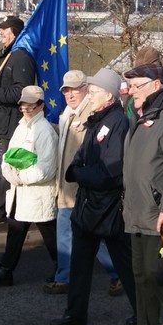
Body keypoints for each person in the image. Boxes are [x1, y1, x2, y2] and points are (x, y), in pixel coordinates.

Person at [50, 68, 137, 325]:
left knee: (124, 263)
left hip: (107, 205)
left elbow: (109, 173)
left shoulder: (117, 122)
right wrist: (79, 171)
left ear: (108, 95)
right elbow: (81, 158)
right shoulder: (98, 119)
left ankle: (143, 312)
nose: (91, 93)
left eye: (95, 90)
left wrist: (79, 173)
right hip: (89, 204)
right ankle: (75, 313)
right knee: (81, 261)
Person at [44, 70, 124, 297]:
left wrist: (79, 176)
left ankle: (68, 277)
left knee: (84, 236)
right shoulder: (67, 114)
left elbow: (94, 155)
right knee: (81, 236)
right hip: (67, 186)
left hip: (81, 188)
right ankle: (69, 276)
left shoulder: (94, 114)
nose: (70, 94)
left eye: (75, 89)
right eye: (66, 90)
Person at [0, 86, 58, 286]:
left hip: (37, 194)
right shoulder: (21, 126)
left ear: (41, 106)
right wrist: (11, 173)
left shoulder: (45, 131)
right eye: (23, 104)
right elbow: (7, 157)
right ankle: (5, 270)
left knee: (50, 235)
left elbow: (46, 169)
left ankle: (63, 269)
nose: (25, 108)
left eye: (30, 105)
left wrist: (18, 176)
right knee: (16, 231)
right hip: (20, 193)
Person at [121, 61, 163, 325]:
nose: (131, 92)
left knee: (158, 274)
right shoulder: (140, 116)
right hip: (137, 210)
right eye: (130, 86)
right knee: (140, 276)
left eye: (137, 86)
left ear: (156, 85)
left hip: (159, 214)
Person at [0, 15, 36, 227]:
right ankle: (12, 207)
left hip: (12, 124)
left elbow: (23, 90)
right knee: (7, 166)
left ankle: (1, 210)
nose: (0, 32)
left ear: (15, 31)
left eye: (4, 28)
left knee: (8, 168)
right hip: (3, 122)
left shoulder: (20, 57)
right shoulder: (8, 54)